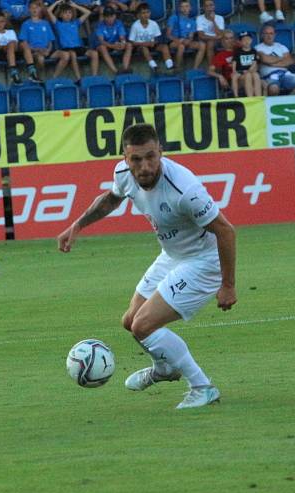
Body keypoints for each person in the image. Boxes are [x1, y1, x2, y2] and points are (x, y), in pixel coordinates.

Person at [56, 123, 237, 409]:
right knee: (130, 322)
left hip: (204, 262)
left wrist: (227, 285)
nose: (145, 166)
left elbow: (226, 231)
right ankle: (164, 368)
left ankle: (203, 387)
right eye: (136, 159)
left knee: (143, 325)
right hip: (172, 254)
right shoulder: (123, 175)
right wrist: (77, 226)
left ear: (161, 152)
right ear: (125, 160)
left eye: (151, 157)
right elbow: (110, 201)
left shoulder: (184, 188)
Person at [47, 0, 100, 81]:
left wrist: (75, 5)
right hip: (66, 49)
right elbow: (48, 11)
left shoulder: (75, 23)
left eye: (70, 13)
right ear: (60, 15)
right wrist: (57, 2)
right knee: (72, 54)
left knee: (94, 53)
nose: (68, 15)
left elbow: (88, 12)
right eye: (65, 13)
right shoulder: (58, 24)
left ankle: (94, 77)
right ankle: (78, 78)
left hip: (78, 47)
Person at [19, 0, 67, 83]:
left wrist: (48, 50)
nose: (34, 10)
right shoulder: (25, 24)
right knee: (40, 59)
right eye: (32, 8)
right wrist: (36, 49)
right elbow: (24, 43)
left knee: (65, 55)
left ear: (40, 9)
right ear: (29, 10)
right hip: (34, 52)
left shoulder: (45, 23)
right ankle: (38, 77)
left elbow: (50, 41)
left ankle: (53, 78)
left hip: (46, 51)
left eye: (36, 8)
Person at [0, 12, 38, 84]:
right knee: (11, 44)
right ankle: (14, 73)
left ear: (5, 23)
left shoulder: (11, 32)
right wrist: (10, 45)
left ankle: (32, 71)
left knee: (24, 43)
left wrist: (12, 46)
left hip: (14, 53)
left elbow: (16, 46)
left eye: (2, 21)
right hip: (0, 54)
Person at [123, 2, 173, 73]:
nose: (146, 15)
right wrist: (145, 43)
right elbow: (132, 42)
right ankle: (154, 66)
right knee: (144, 49)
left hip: (152, 45)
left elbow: (158, 38)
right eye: (143, 13)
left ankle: (170, 66)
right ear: (138, 15)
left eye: (147, 12)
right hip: (140, 46)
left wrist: (154, 42)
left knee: (164, 46)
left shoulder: (154, 24)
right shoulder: (135, 26)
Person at [255, 24, 295, 96]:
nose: (269, 36)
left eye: (271, 33)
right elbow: (264, 59)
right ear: (262, 35)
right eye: (266, 33)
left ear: (275, 35)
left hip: (285, 74)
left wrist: (271, 62)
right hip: (268, 76)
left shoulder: (281, 46)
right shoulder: (258, 48)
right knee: (274, 89)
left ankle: (286, 101)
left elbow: (290, 61)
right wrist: (282, 59)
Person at [166, 0, 206, 70]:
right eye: (182, 7)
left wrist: (189, 40)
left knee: (202, 45)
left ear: (190, 8)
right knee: (181, 46)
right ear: (179, 8)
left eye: (187, 6)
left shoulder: (192, 22)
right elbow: (168, 34)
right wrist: (179, 40)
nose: (185, 9)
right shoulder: (174, 18)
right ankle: (177, 69)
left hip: (185, 41)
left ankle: (195, 69)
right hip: (174, 41)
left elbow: (191, 36)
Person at [95, 7, 128, 74]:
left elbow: (122, 37)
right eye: (107, 17)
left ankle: (125, 68)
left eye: (111, 16)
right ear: (104, 17)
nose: (110, 19)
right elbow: (101, 41)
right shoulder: (100, 25)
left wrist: (122, 43)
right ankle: (115, 71)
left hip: (116, 44)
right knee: (102, 47)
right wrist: (112, 46)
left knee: (129, 45)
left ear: (115, 16)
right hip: (105, 45)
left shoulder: (118, 23)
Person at [231, 31, 262, 97]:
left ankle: (258, 96)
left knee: (256, 75)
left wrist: (249, 70)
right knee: (247, 76)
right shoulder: (238, 51)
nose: (246, 41)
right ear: (240, 42)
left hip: (251, 71)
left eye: (248, 39)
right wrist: (234, 71)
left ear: (251, 40)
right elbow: (234, 62)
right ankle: (247, 97)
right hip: (241, 71)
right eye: (244, 40)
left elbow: (254, 62)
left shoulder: (254, 51)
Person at [196, 0, 225, 65]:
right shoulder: (199, 18)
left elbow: (220, 34)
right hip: (205, 39)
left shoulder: (220, 18)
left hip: (216, 41)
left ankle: (211, 66)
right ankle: (211, 66)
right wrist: (215, 37)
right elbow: (201, 35)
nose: (209, 7)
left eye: (211, 5)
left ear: (214, 6)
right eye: (206, 6)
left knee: (210, 42)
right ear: (203, 7)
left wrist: (213, 21)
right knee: (210, 42)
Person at [208, 29, 236, 94]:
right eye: (227, 39)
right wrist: (220, 76)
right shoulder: (220, 55)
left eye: (231, 38)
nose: (230, 41)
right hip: (231, 80)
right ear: (223, 41)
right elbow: (209, 71)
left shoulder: (240, 50)